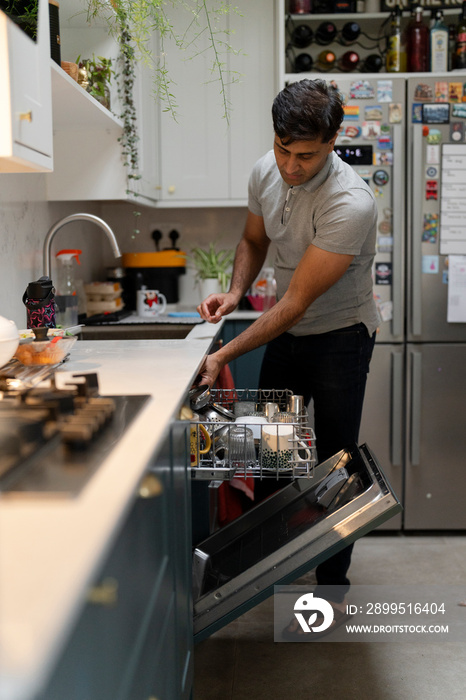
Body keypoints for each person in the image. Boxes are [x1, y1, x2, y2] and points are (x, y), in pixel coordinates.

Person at [196, 79, 380, 637]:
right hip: (291, 333)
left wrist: (223, 351)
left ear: (332, 142)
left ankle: (332, 587)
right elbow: (253, 240)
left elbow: (297, 302)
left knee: (334, 462)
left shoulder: (351, 203)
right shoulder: (265, 171)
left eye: (305, 155)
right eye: (283, 149)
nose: (291, 165)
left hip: (341, 335)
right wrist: (235, 293)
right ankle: (271, 572)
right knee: (274, 454)